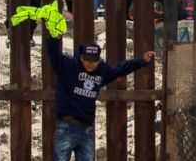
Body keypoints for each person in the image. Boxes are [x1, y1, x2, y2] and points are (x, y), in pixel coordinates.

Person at [47, 33, 153, 161]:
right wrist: (54, 39)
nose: (90, 64)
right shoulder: (69, 67)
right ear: (81, 57)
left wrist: (141, 61)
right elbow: (54, 55)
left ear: (99, 60)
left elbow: (120, 69)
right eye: (87, 60)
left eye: (94, 61)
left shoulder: (102, 71)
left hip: (87, 128)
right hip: (66, 126)